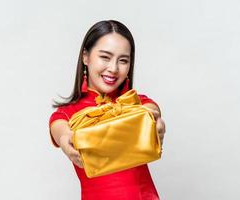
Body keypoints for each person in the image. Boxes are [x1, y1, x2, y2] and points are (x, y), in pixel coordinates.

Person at [48, 20, 166, 200]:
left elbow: (152, 112)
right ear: (85, 56)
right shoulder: (65, 114)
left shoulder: (137, 103)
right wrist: (66, 141)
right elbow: (61, 131)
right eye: (105, 57)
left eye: (123, 60)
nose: (113, 68)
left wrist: (156, 123)